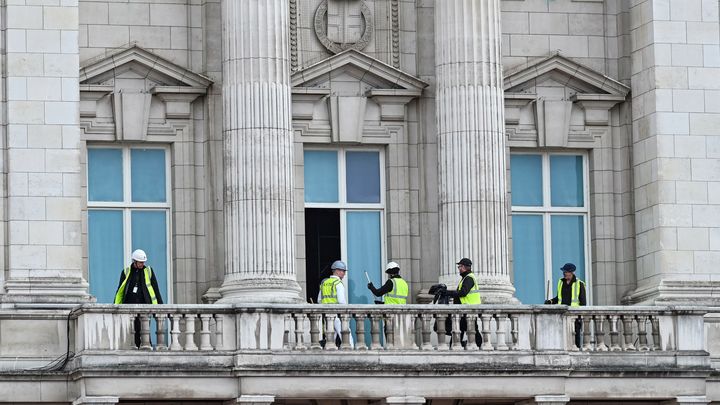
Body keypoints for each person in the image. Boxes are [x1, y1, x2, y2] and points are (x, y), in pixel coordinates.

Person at [114, 249, 164, 348]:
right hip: (129, 306)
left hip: (145, 306)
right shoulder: (126, 272)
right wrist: (116, 306)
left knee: (145, 331)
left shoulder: (148, 271)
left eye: (143, 262)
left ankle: (147, 349)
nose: (142, 264)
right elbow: (120, 290)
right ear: (134, 261)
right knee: (133, 331)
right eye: (140, 262)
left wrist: (160, 306)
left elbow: (155, 289)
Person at [545, 262, 586, 348]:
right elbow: (558, 298)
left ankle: (576, 353)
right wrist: (550, 301)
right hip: (562, 314)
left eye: (565, 272)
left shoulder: (579, 284)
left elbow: (583, 302)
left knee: (575, 336)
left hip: (574, 315)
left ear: (571, 272)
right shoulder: (561, 282)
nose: (564, 273)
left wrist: (580, 316)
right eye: (563, 272)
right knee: (562, 336)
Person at [444, 258, 482, 348]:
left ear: (464, 267)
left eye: (460, 266)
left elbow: (463, 292)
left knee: (470, 330)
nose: (459, 268)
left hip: (468, 310)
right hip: (465, 310)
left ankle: (479, 346)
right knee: (460, 329)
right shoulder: (466, 278)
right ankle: (454, 346)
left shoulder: (469, 278)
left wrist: (448, 293)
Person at [318, 260, 353, 348]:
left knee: (330, 340)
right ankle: (353, 352)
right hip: (337, 315)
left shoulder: (324, 283)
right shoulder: (338, 283)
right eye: (343, 271)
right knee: (346, 335)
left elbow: (319, 300)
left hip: (327, 316)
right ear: (337, 271)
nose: (344, 273)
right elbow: (341, 301)